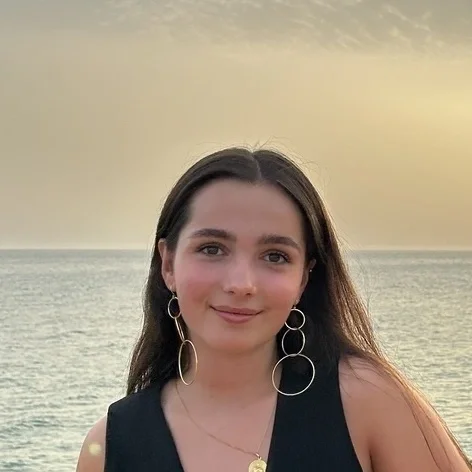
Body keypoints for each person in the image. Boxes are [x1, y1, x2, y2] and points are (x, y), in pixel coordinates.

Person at [76, 147, 471, 472]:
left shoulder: (365, 400)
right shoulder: (111, 447)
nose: (241, 283)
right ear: (168, 264)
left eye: (275, 256)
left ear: (303, 279)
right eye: (212, 249)